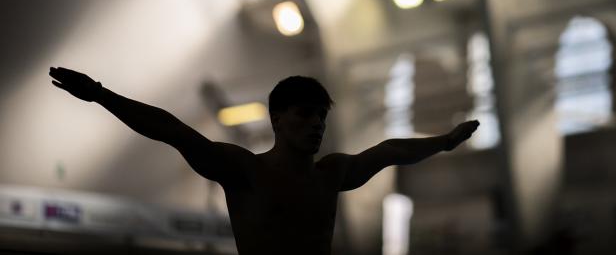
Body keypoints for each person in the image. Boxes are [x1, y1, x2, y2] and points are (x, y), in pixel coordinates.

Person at [49, 67, 480, 255]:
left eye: (322, 116)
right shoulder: (245, 171)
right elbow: (170, 129)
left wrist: (444, 142)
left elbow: (391, 151)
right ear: (277, 119)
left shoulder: (331, 174)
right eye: (305, 114)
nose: (317, 124)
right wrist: (101, 94)